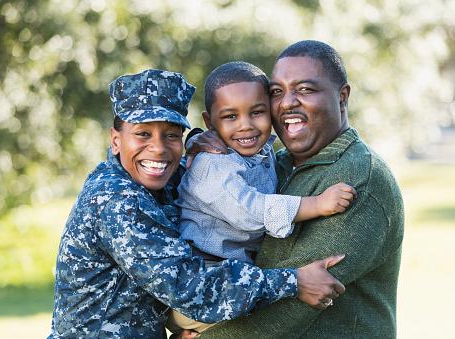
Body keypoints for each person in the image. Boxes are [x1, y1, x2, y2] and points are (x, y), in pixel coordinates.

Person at [48, 68, 347, 339]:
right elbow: (188, 287)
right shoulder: (117, 199)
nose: (158, 148)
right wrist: (293, 281)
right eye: (142, 134)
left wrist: (198, 141)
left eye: (171, 135)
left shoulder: (163, 177)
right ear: (115, 141)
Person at [191, 40, 404, 338]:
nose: (287, 102)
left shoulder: (358, 177)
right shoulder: (274, 165)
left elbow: (290, 305)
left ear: (342, 97)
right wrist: (198, 143)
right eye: (277, 92)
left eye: (305, 89)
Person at [166, 62, 356, 334]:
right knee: (269, 316)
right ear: (210, 123)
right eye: (231, 117)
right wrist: (316, 204)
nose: (246, 126)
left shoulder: (261, 149)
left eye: (257, 112)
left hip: (236, 276)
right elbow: (251, 211)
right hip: (205, 282)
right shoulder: (212, 166)